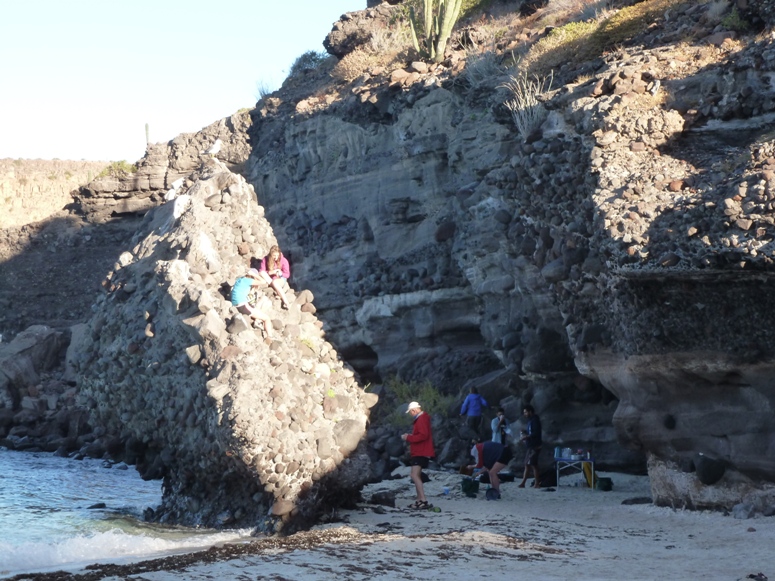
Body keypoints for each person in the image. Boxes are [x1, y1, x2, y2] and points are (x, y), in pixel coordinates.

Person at [401, 401, 435, 510]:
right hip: (421, 451)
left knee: (414, 475)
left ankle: (423, 500)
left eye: (410, 412)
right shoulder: (422, 418)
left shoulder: (421, 419)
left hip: (421, 451)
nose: (411, 414)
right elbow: (423, 435)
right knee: (416, 475)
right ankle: (419, 500)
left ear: (414, 410)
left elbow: (423, 435)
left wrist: (408, 438)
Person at [231, 268, 273, 339]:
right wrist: (254, 275)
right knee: (267, 318)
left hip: (237, 304)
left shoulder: (240, 280)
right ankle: (270, 336)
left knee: (260, 305)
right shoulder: (248, 281)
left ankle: (258, 320)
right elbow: (263, 281)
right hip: (242, 305)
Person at [259, 245, 291, 309]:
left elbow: (287, 274)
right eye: (274, 256)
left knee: (275, 282)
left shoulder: (284, 261)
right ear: (271, 254)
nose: (276, 257)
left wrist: (281, 273)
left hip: (280, 279)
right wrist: (271, 272)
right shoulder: (265, 259)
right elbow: (261, 271)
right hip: (270, 278)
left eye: (277, 255)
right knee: (262, 273)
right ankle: (278, 291)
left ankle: (286, 301)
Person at [518, 404, 542, 488]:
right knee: (527, 464)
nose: (524, 414)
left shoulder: (535, 420)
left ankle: (536, 483)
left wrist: (526, 436)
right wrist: (525, 432)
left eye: (525, 412)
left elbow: (536, 433)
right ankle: (523, 483)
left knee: (533, 465)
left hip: (534, 446)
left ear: (530, 412)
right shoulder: (531, 420)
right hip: (531, 446)